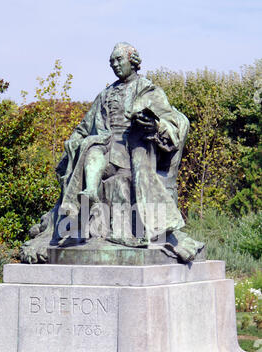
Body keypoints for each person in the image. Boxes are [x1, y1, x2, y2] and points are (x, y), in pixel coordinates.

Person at [20, 43, 204, 263]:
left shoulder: (149, 90)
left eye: (119, 60)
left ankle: (140, 227)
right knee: (91, 146)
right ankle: (89, 193)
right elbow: (83, 127)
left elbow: (172, 124)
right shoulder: (105, 94)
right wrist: (75, 141)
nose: (115, 65)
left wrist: (154, 126)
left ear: (133, 61)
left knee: (97, 150)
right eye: (112, 62)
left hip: (133, 153)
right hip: (105, 149)